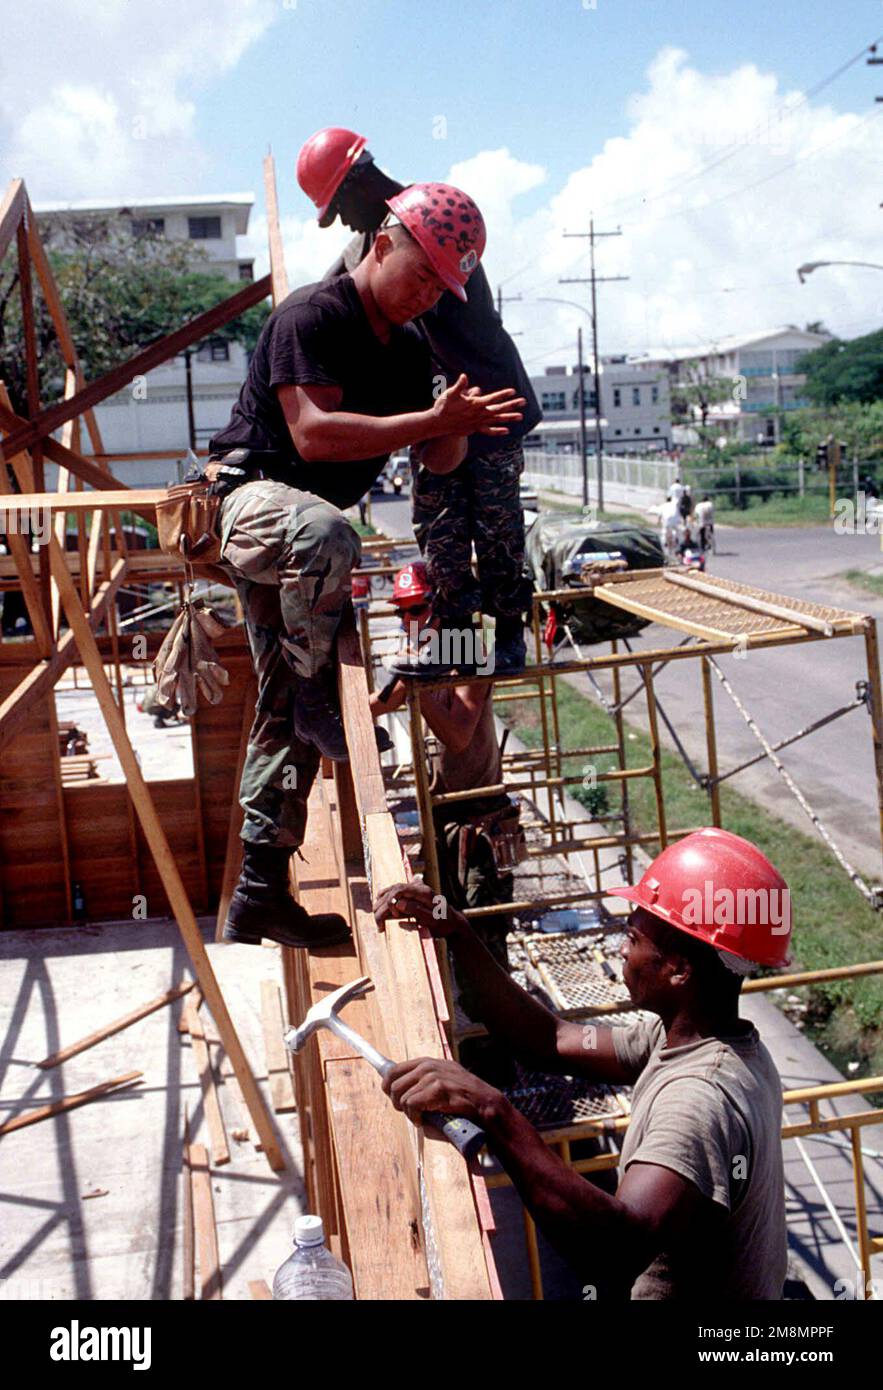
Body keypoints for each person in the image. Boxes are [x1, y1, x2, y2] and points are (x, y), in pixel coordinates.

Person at [205, 183, 525, 950]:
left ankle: (259, 888)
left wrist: (456, 426)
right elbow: (312, 436)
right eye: (417, 277)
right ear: (381, 244)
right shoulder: (311, 317)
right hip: (249, 506)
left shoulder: (413, 350)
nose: (423, 298)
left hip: (302, 547)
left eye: (438, 290)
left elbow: (432, 453)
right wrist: (431, 418)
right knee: (329, 535)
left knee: (286, 705)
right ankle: (323, 701)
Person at [374, 827, 790, 1300]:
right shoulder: (699, 1040)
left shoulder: (697, 1100)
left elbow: (614, 1249)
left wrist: (493, 1110)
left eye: (633, 938)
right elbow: (554, 1039)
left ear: (679, 969)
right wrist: (462, 935)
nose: (622, 950)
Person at [297, 127, 542, 673]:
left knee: (497, 529)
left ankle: (508, 641)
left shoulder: (438, 219)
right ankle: (458, 650)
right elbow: (326, 294)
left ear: (360, 179)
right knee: (441, 533)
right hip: (432, 409)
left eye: (339, 207)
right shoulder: (368, 241)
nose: (344, 222)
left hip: (488, 405)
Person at [370, 562, 522, 1015]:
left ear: (440, 610)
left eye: (416, 610)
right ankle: (470, 1032)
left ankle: (496, 1046)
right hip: (443, 821)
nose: (406, 622)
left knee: (485, 938)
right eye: (402, 613)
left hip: (481, 823)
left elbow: (457, 734)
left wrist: (421, 683)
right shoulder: (422, 659)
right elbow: (380, 704)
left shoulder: (471, 657)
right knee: (448, 928)